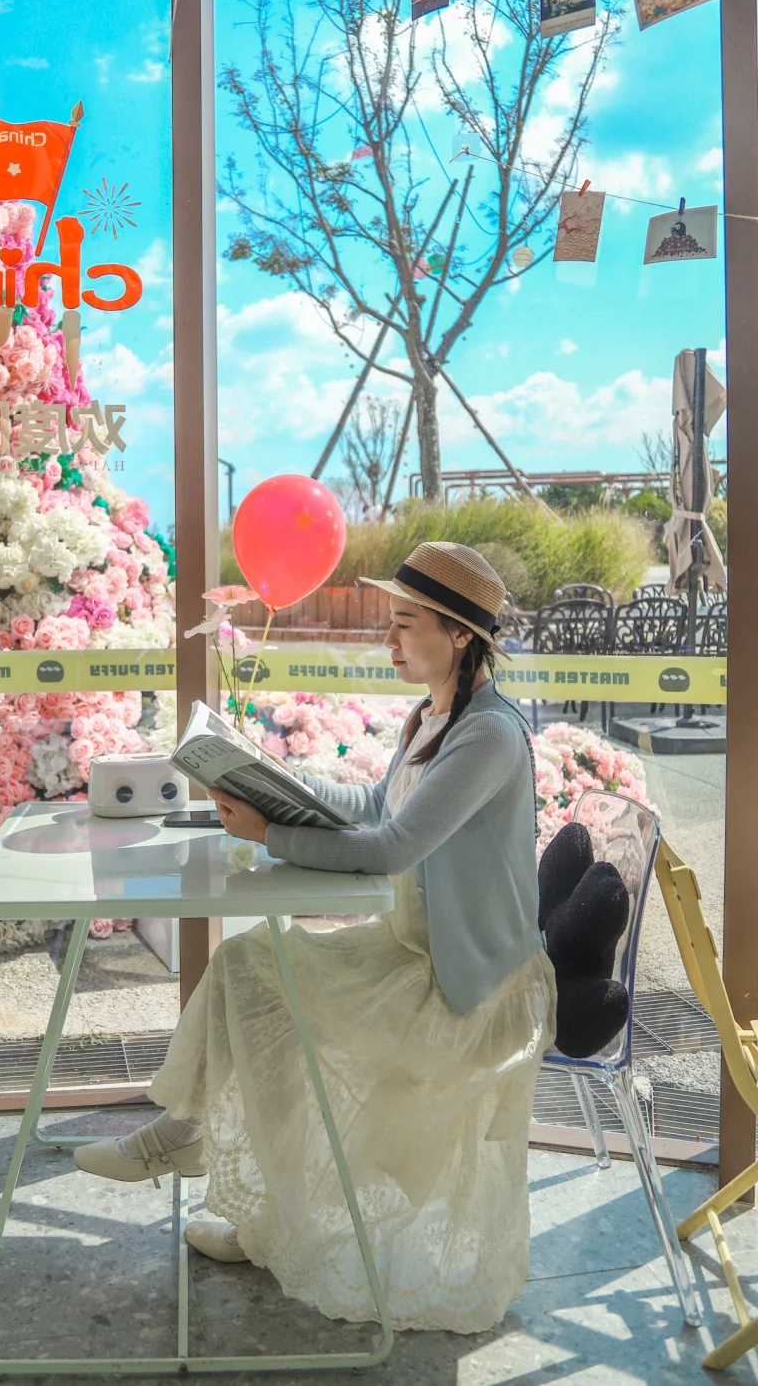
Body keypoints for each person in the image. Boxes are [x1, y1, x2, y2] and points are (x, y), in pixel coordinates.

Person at [76, 542, 557, 1334]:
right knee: (247, 965)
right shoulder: (433, 717)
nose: (388, 638)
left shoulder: (491, 735)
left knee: (270, 994)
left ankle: (223, 1173)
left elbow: (393, 846)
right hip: (412, 953)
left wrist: (270, 833)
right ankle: (216, 1161)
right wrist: (274, 780)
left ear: (461, 634)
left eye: (406, 624)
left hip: (470, 987)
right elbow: (374, 802)